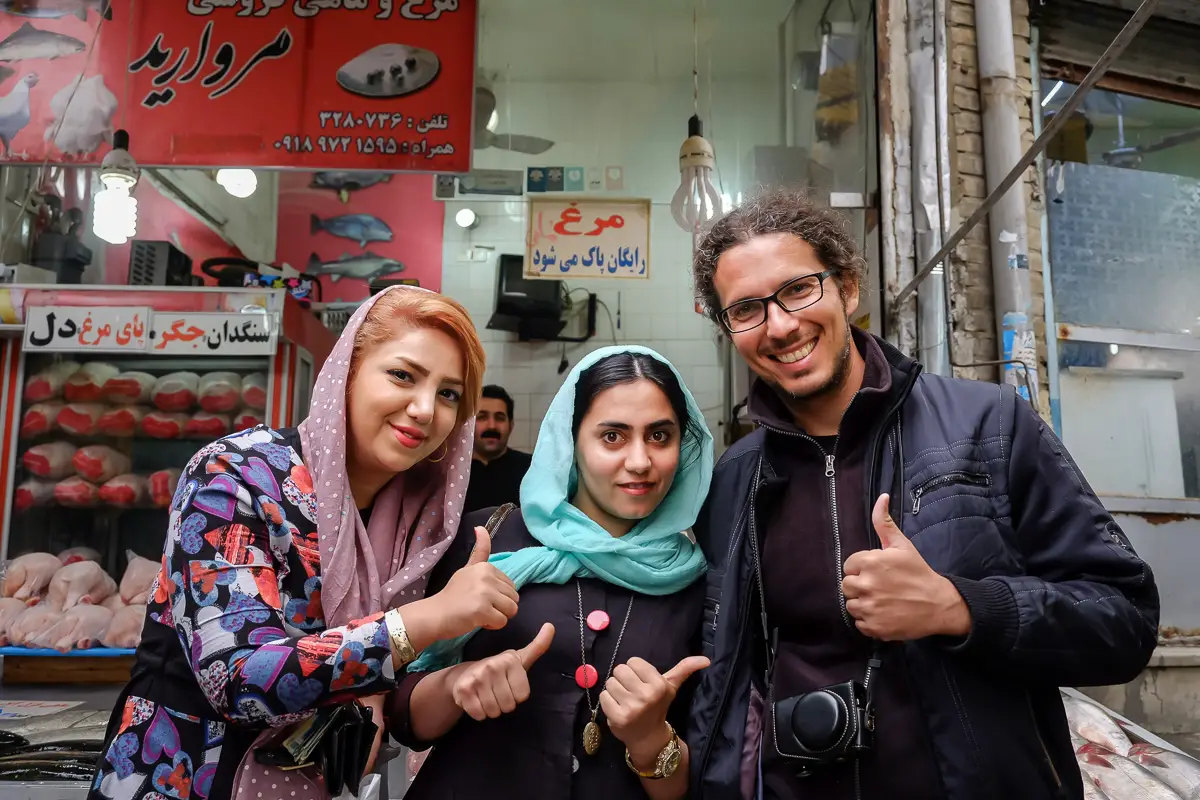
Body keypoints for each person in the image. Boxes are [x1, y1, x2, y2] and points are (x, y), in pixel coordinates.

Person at [684, 189, 1160, 800]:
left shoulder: (987, 425)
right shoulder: (735, 478)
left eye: (798, 289)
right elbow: (729, 677)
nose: (779, 325)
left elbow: (1123, 622)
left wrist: (959, 607)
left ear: (847, 287)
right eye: (746, 309)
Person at [88, 286, 523, 800]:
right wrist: (426, 620)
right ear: (348, 372)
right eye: (403, 375)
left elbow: (395, 695)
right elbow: (236, 677)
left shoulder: (419, 527)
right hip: (183, 777)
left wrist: (460, 680)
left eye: (449, 394)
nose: (425, 409)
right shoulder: (235, 477)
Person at [387, 346, 714, 800]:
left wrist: (649, 740)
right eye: (613, 437)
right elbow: (405, 721)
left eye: (660, 436)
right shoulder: (486, 540)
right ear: (571, 441)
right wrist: (456, 683)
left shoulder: (698, 580)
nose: (640, 461)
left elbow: (691, 784)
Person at [464, 384, 532, 512]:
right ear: (467, 424)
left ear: (511, 425)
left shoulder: (532, 470)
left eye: (500, 418)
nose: (492, 426)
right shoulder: (452, 472)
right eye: (482, 417)